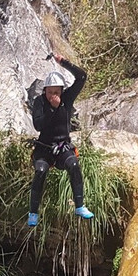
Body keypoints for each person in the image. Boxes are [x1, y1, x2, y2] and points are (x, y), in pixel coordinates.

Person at [27, 53, 94, 226]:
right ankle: (33, 212)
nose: (53, 96)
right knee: (41, 171)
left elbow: (82, 76)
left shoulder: (67, 98)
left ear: (62, 91)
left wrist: (63, 62)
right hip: (44, 149)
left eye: (56, 92)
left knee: (73, 165)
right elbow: (38, 126)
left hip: (63, 147)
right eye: (50, 92)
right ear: (45, 91)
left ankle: (79, 206)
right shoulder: (39, 102)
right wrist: (52, 109)